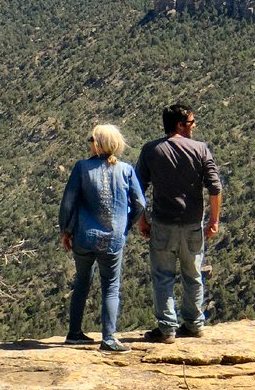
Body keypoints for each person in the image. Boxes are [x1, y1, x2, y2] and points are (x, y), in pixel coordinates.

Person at [135, 104, 223, 344]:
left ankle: (166, 330)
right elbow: (215, 188)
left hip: (162, 224)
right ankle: (194, 324)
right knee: (192, 275)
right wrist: (214, 220)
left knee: (163, 277)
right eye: (191, 122)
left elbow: (137, 189)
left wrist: (142, 220)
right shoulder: (200, 149)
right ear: (180, 125)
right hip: (192, 224)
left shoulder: (151, 150)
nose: (194, 126)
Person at [58, 124, 145, 353]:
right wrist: (125, 225)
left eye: (91, 139)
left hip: (84, 237)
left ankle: (74, 333)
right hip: (113, 239)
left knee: (82, 282)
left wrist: (65, 231)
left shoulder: (82, 168)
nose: (89, 142)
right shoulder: (125, 170)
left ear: (97, 144)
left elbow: (68, 203)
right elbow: (140, 204)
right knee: (111, 286)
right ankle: (108, 339)